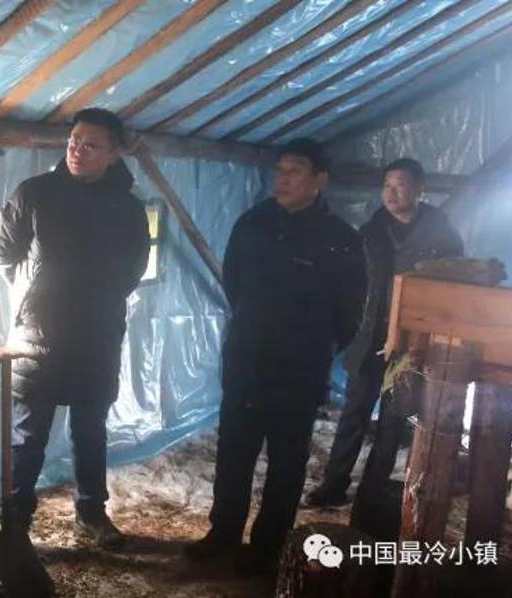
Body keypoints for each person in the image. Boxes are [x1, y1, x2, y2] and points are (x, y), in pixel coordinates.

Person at [185, 138, 367, 574]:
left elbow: (350, 311)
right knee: (234, 450)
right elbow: (234, 284)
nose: (282, 179)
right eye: (280, 170)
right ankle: (223, 533)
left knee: (287, 460)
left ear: (320, 180)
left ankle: (268, 545)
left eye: (294, 171)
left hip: (300, 368)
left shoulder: (340, 240)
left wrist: (317, 347)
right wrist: (255, 329)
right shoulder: (252, 224)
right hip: (248, 359)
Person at [0, 108, 149, 549]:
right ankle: (15, 522)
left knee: (90, 432)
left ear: (113, 155)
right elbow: (4, 252)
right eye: (74, 140)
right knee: (28, 436)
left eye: (91, 145)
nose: (78, 150)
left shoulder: (128, 209)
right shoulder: (35, 194)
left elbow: (135, 265)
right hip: (39, 334)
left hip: (98, 336)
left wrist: (99, 297)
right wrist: (35, 293)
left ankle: (91, 513)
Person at [306, 158, 464, 508]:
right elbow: (349, 286)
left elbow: (453, 289)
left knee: (394, 418)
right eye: (387, 186)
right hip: (370, 337)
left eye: (400, 185)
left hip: (413, 341)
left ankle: (372, 490)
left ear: (420, 189)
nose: (391, 194)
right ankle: (333, 484)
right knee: (354, 413)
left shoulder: (444, 238)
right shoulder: (369, 234)